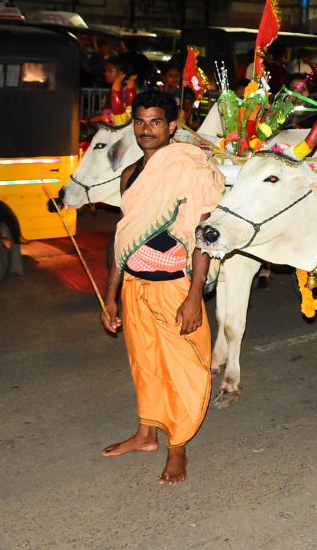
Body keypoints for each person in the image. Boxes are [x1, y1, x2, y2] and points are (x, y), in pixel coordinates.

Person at [100, 89, 225, 485]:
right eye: (139, 122)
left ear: (172, 126)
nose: (146, 129)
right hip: (134, 286)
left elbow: (201, 236)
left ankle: (178, 448)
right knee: (146, 365)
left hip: (175, 287)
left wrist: (194, 297)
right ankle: (145, 434)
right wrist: (111, 295)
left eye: (156, 122)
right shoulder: (129, 175)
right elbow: (123, 237)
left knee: (184, 370)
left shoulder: (189, 168)